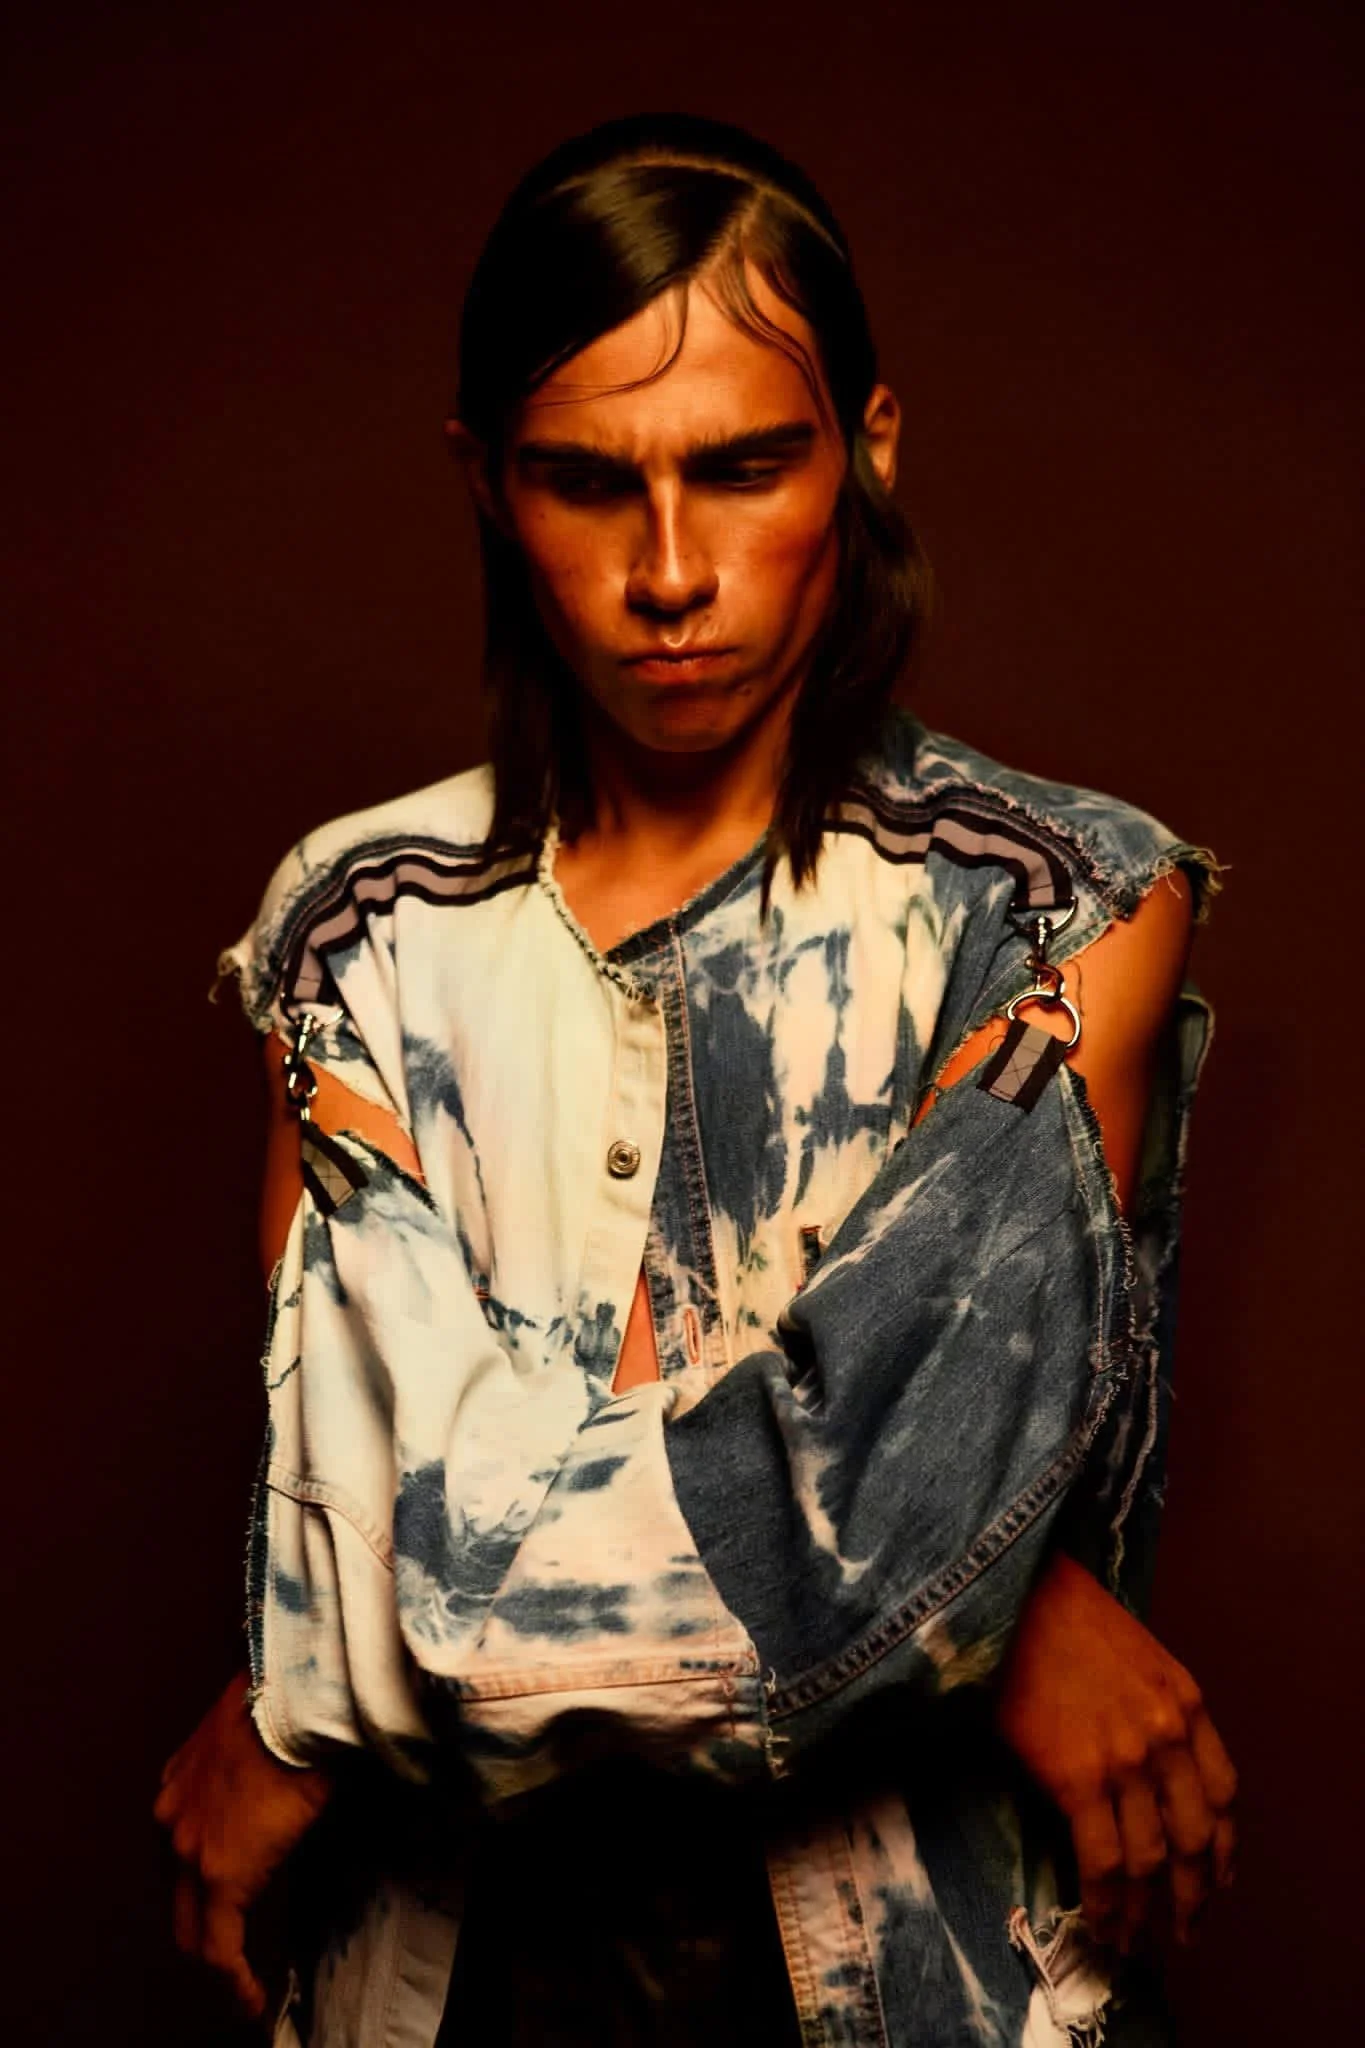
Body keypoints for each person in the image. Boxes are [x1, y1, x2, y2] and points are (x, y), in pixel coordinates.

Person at [156, 113, 1236, 2047]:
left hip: (924, 1994)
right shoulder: (355, 926)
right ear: (489, 486)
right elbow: (390, 1530)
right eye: (589, 482)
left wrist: (309, 1706)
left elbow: (433, 1589)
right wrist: (989, 1611)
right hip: (442, 1987)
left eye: (744, 467)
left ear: (867, 451)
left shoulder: (1059, 907)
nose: (670, 573)